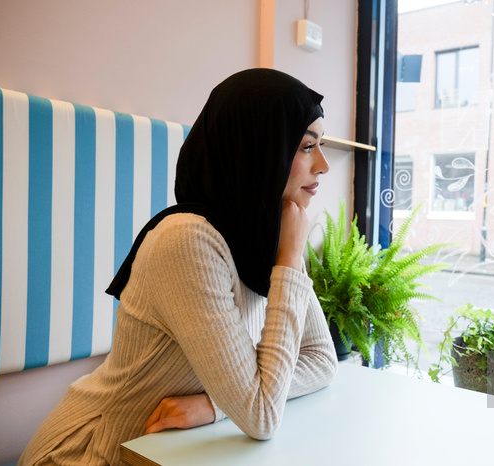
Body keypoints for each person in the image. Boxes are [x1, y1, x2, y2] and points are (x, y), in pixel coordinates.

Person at [19, 68, 338, 465]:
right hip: (87, 455)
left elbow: (321, 359)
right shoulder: (188, 242)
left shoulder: (270, 233)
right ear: (259, 148)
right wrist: (290, 260)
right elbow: (261, 415)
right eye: (307, 146)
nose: (324, 165)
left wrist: (212, 405)